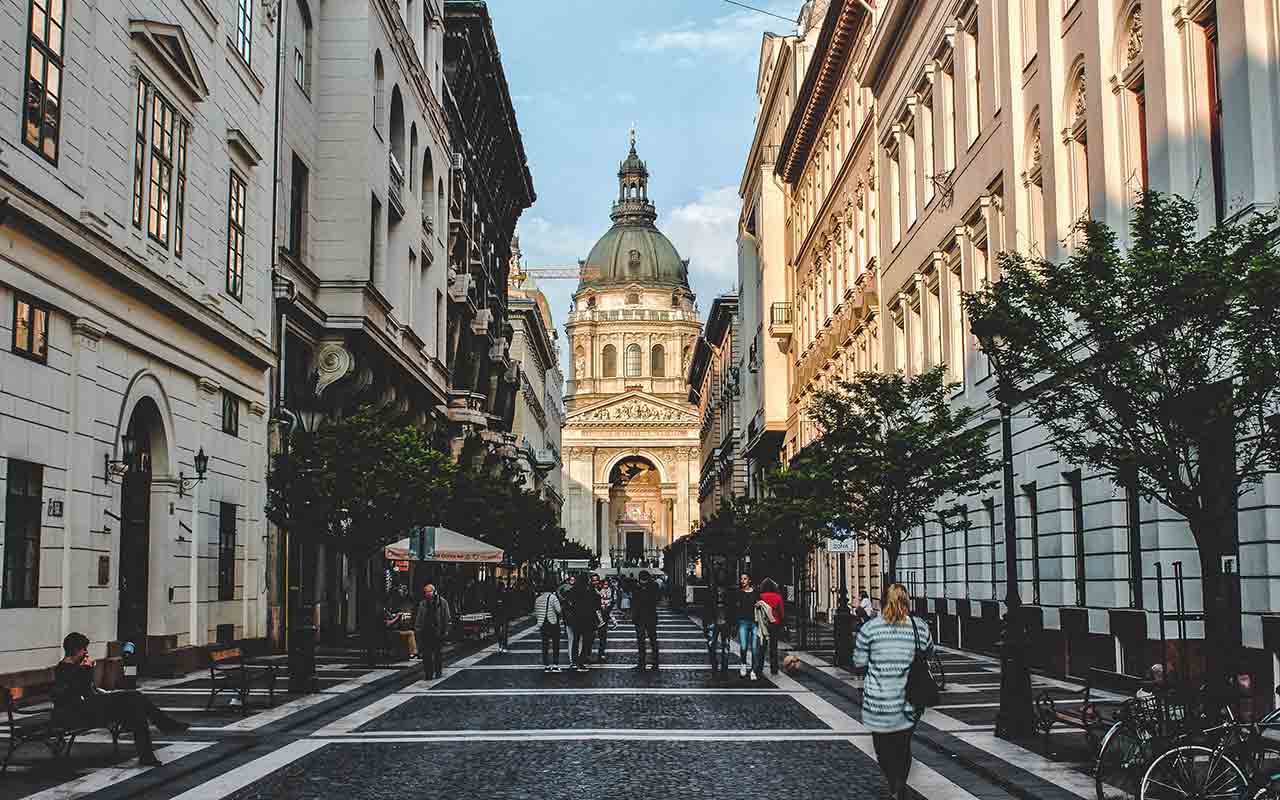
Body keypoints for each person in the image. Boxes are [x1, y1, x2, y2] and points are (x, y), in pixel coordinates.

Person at [54, 632, 188, 767]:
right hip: (81, 713)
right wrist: (87, 671)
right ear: (76, 650)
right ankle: (163, 727)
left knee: (136, 709)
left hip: (90, 708)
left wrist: (87, 673)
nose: (86, 653)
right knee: (134, 698)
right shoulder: (65, 669)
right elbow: (81, 694)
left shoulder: (73, 668)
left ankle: (148, 753)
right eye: (84, 649)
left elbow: (87, 693)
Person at [853, 583, 934, 800]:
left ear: (885, 601)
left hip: (879, 699)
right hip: (911, 696)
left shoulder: (871, 628)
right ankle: (900, 784)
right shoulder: (920, 626)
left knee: (882, 746)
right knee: (903, 743)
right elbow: (928, 652)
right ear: (907, 601)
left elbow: (859, 662)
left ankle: (893, 783)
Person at [414, 583, 452, 680]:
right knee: (426, 655)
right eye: (426, 592)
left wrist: (446, 631)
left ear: (434, 591)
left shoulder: (442, 602)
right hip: (426, 632)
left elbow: (446, 618)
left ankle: (438, 672)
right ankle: (428, 674)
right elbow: (419, 618)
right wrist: (418, 630)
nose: (427, 594)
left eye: (429, 592)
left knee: (437, 654)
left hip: (437, 632)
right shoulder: (423, 603)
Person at [730, 574, 759, 680]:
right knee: (743, 646)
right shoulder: (738, 593)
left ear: (749, 580)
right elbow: (735, 609)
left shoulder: (756, 592)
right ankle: (743, 665)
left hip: (755, 622)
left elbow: (759, 604)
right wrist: (735, 624)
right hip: (743, 622)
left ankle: (753, 670)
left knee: (755, 648)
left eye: (745, 579)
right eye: (741, 579)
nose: (743, 581)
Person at [631, 570, 660, 671]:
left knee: (652, 641)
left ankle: (655, 663)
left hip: (649, 617)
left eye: (644, 580)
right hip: (640, 618)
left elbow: (656, 599)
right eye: (641, 580)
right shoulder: (636, 587)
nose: (642, 582)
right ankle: (641, 663)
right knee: (641, 641)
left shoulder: (653, 587)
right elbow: (634, 602)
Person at [758, 578, 785, 676]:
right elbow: (781, 612)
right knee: (773, 647)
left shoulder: (760, 596)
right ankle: (774, 668)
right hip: (775, 623)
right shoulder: (778, 597)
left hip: (763, 623)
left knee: (762, 646)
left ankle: (759, 667)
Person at [534, 580, 563, 673]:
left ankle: (546, 665)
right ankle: (555, 664)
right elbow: (559, 610)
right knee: (555, 644)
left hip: (542, 623)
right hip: (552, 623)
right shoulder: (553, 597)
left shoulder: (538, 599)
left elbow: (536, 612)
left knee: (545, 645)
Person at [594, 576, 613, 663]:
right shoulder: (596, 592)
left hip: (603, 616)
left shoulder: (607, 591)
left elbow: (610, 602)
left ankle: (601, 653)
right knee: (592, 637)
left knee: (603, 636)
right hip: (596, 616)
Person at [493, 579, 511, 653]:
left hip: (499, 615)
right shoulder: (505, 595)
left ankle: (501, 645)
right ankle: (503, 646)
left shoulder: (496, 595)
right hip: (504, 615)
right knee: (503, 632)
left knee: (500, 631)